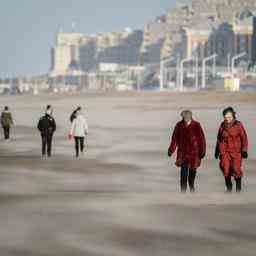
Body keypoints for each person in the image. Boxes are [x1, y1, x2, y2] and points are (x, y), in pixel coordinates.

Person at [168, 110, 206, 193]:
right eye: (184, 117)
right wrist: (171, 150)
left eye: (187, 117)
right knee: (183, 175)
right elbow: (174, 139)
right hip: (183, 154)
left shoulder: (196, 125)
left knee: (191, 176)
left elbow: (201, 139)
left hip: (194, 154)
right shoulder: (179, 125)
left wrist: (202, 151)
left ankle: (192, 190)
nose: (185, 119)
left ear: (190, 117)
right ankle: (183, 194)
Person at [215, 107, 248, 193]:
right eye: (225, 117)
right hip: (225, 152)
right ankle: (229, 188)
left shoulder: (238, 125)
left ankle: (238, 189)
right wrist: (217, 150)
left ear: (233, 116)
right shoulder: (222, 125)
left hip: (236, 152)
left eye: (229, 117)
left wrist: (244, 150)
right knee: (225, 169)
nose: (227, 119)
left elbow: (244, 137)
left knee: (236, 169)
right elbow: (219, 138)